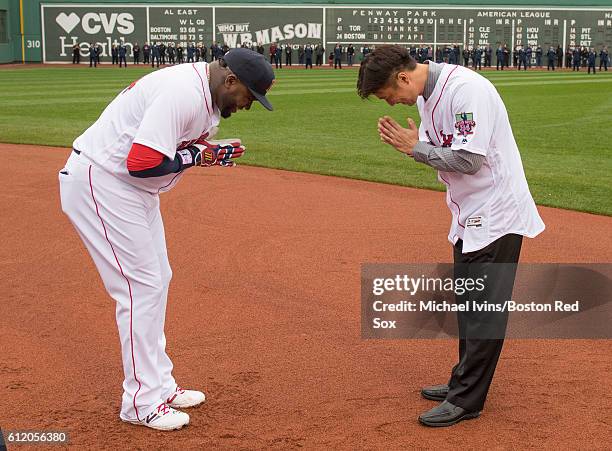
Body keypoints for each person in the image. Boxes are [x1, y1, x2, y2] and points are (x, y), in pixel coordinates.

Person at [59, 48, 275, 432]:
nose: (248, 106)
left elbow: (165, 155)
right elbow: (141, 162)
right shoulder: (183, 92)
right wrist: (197, 157)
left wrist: (205, 153)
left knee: (158, 278)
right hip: (103, 182)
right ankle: (141, 402)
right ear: (230, 81)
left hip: (130, 190)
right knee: (140, 288)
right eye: (249, 97)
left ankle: (159, 385)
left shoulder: (203, 95)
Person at [357, 44, 544, 427]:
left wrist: (418, 149)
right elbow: (447, 152)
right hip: (468, 213)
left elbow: (468, 160)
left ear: (403, 77)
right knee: (468, 304)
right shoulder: (427, 97)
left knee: (483, 312)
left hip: (495, 213)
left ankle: (467, 399)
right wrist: (420, 147)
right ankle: (463, 379)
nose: (391, 104)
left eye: (387, 94)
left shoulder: (466, 91)